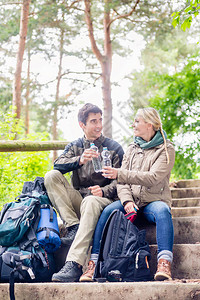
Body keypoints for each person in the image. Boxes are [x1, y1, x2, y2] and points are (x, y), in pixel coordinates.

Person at [80, 107, 175, 282]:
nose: (133, 124)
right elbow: (122, 183)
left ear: (150, 124)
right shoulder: (132, 148)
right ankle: (93, 265)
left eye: (137, 121)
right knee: (107, 211)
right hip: (131, 200)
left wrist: (119, 174)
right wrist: (127, 202)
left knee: (163, 211)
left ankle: (164, 263)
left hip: (153, 201)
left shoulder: (166, 149)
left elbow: (153, 177)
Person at [44, 103, 124, 282]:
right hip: (80, 199)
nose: (98, 125)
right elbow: (58, 164)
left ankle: (74, 264)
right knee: (51, 176)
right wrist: (79, 160)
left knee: (91, 201)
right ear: (82, 125)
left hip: (105, 201)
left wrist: (103, 191)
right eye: (93, 121)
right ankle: (73, 226)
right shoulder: (76, 146)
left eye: (100, 120)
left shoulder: (113, 147)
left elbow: (123, 180)